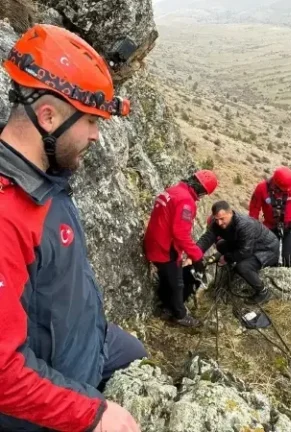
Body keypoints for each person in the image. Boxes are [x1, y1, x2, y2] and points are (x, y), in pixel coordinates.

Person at [0, 24, 145, 431]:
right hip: (45, 398)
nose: (97, 136)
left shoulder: (44, 176)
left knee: (137, 355)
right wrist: (92, 413)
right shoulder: (7, 215)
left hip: (90, 345)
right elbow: (2, 372)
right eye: (91, 122)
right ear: (48, 116)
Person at [144, 170, 219, 327]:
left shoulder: (172, 191)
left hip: (153, 241)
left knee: (166, 277)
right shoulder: (186, 201)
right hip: (165, 247)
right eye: (204, 193)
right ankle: (180, 315)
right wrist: (197, 256)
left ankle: (166, 308)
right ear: (201, 190)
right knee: (177, 282)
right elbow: (180, 234)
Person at [197, 201, 280, 304]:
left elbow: (245, 251)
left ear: (230, 213)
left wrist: (226, 258)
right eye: (216, 219)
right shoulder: (217, 223)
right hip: (247, 245)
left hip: (267, 249)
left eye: (222, 219)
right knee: (220, 245)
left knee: (242, 267)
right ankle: (231, 259)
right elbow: (207, 238)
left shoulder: (244, 225)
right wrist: (194, 253)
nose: (219, 223)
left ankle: (263, 292)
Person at [249, 166, 291, 267]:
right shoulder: (262, 189)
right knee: (271, 254)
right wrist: (254, 229)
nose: (288, 190)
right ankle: (272, 273)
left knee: (288, 256)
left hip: (290, 227)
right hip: (271, 226)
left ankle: (288, 276)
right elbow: (254, 209)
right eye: (285, 189)